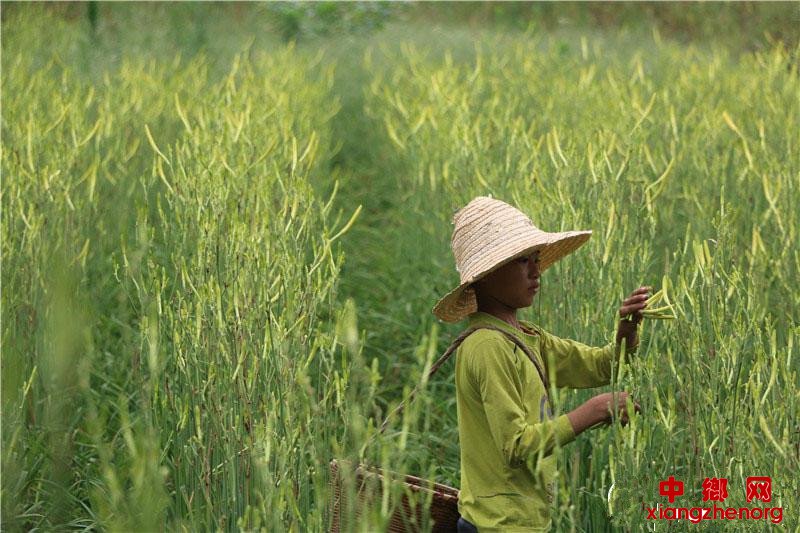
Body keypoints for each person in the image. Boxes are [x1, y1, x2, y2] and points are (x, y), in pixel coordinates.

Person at [432, 196, 648, 532]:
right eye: (522, 261)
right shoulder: (488, 346)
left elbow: (602, 367)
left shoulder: (527, 338)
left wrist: (626, 333)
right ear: (486, 274)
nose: (536, 272)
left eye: (536, 259)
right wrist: (594, 411)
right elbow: (515, 445)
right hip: (497, 526)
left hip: (521, 521)